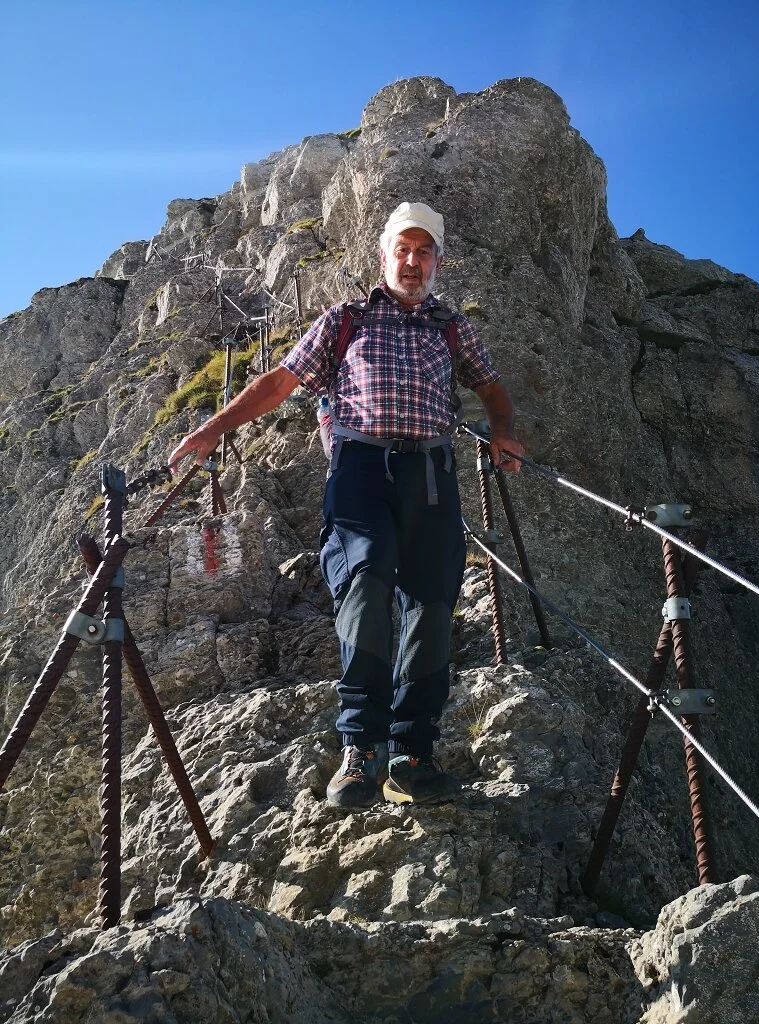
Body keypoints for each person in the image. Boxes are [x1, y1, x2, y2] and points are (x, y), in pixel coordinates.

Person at [169, 201, 523, 809]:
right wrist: (211, 430)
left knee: (433, 601)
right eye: (402, 250)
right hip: (360, 468)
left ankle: (413, 754)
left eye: (424, 252)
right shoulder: (346, 319)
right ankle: (360, 748)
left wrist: (503, 431)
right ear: (383, 255)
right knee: (365, 579)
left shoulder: (451, 328)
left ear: (438, 262)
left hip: (432, 473)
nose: (411, 262)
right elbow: (280, 382)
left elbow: (492, 389)